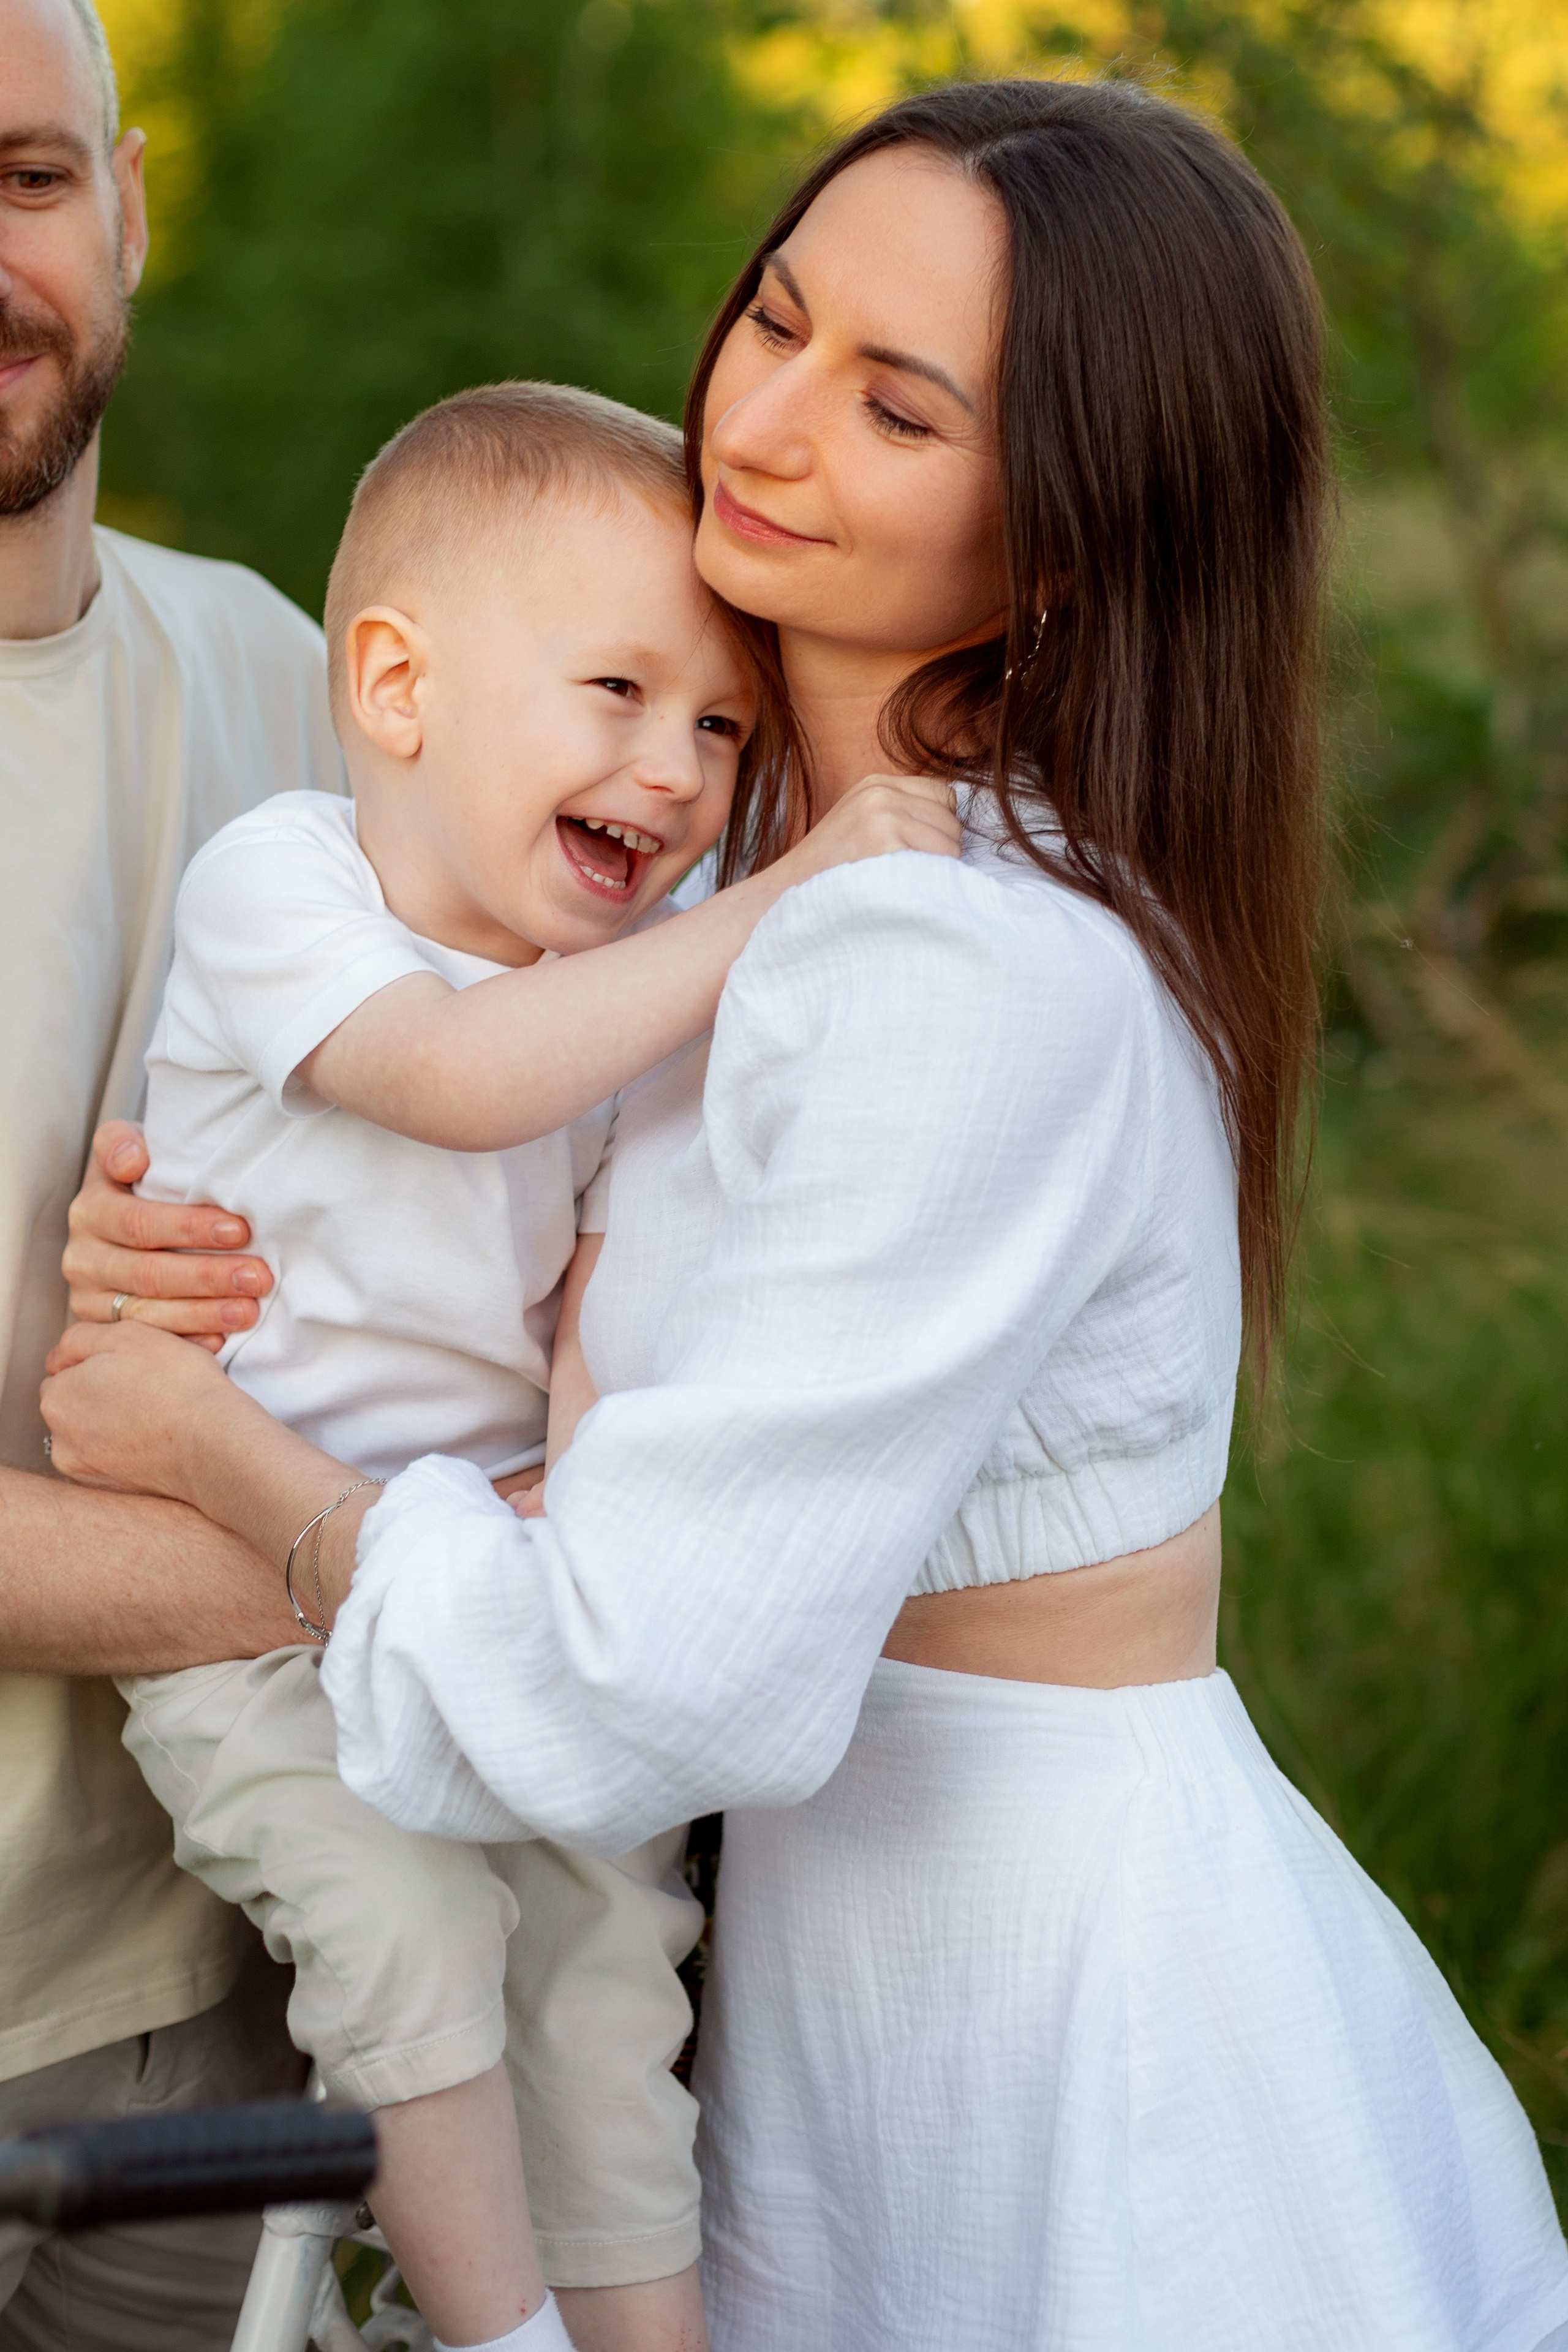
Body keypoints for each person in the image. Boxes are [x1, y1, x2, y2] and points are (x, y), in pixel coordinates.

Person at [47, 76, 1568, 2352]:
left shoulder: (958, 960)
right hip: (798, 1971)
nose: (762, 421)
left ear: (1062, 528)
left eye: (896, 405)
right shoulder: (718, 874)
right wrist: (192, 1229)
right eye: (775, 317)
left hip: (1043, 2026)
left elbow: (639, 1675)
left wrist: (225, 1456)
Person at [114, 375, 954, 2352]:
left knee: (604, 1950)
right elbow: (450, 1084)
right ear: (397, 690)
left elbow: (599, 1290)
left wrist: (578, 1479)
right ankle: (499, 2344)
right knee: (406, 1934)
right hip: (245, 1625)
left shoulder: (611, 995)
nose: (677, 773)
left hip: (482, 1586)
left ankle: (647, 2333)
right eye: (619, 695)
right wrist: (787, 893)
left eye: (724, 727)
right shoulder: (285, 886)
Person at [0, 1, 343, 2344]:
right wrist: (451, 1583)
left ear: (127, 208)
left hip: (203, 2012)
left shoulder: (308, 689)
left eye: (22, 178)